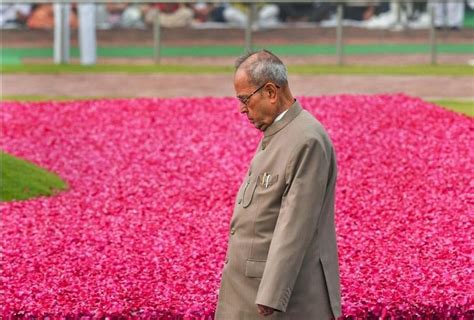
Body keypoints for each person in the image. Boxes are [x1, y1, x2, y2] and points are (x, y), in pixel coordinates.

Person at [215, 50, 341, 319]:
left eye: (245, 99)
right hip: (249, 291)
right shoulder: (279, 131)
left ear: (271, 92)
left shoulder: (306, 139)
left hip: (278, 302)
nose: (241, 109)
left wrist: (272, 294)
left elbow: (295, 223)